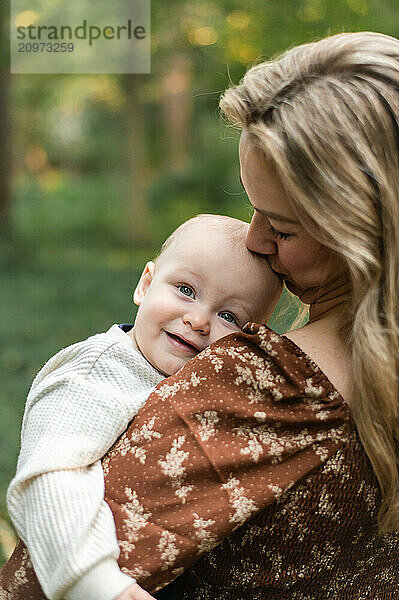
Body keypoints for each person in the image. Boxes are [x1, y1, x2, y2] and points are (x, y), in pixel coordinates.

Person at [4, 214, 282, 600]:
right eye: (186, 289)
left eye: (229, 316)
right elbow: (49, 477)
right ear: (145, 284)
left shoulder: (207, 387)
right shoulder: (97, 374)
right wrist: (94, 582)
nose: (199, 320)